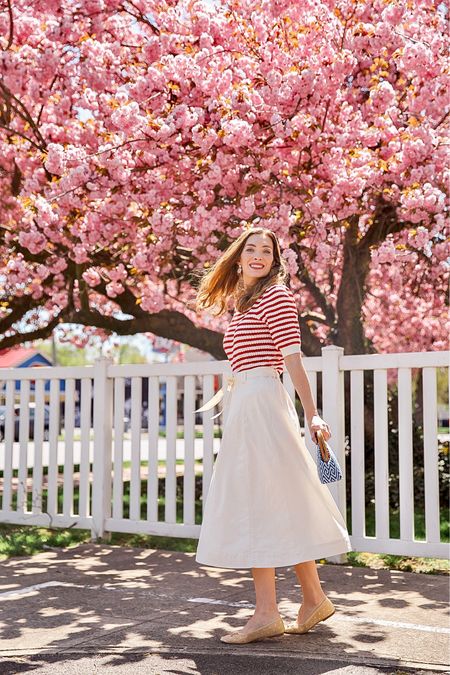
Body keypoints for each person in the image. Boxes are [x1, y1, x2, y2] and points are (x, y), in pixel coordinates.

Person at [194, 227, 352, 644]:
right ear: (239, 256)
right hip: (248, 403)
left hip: (263, 403)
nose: (259, 256)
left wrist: (313, 416)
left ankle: (266, 612)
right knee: (277, 497)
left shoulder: (276, 296)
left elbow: (293, 360)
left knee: (256, 501)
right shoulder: (244, 301)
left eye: (268, 250)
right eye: (252, 249)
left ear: (275, 259)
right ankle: (313, 598)